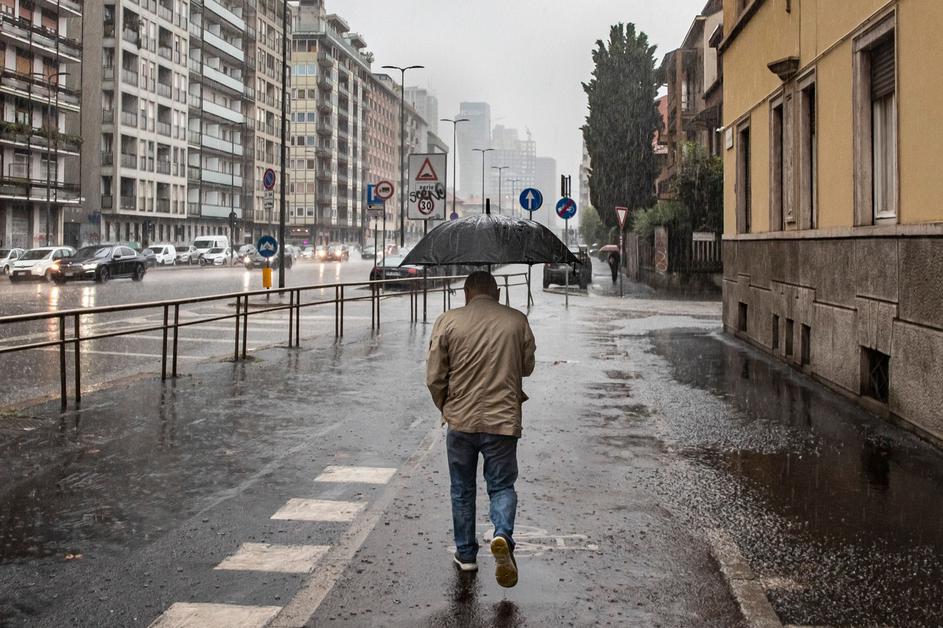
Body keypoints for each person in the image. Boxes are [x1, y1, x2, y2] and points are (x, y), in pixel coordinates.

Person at [426, 271, 536, 588]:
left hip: (460, 421)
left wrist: (445, 406)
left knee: (462, 489)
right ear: (498, 292)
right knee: (501, 487)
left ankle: (466, 555)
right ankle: (502, 534)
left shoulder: (448, 321)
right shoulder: (517, 321)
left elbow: (434, 376)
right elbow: (527, 366)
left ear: (466, 294)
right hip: (502, 420)